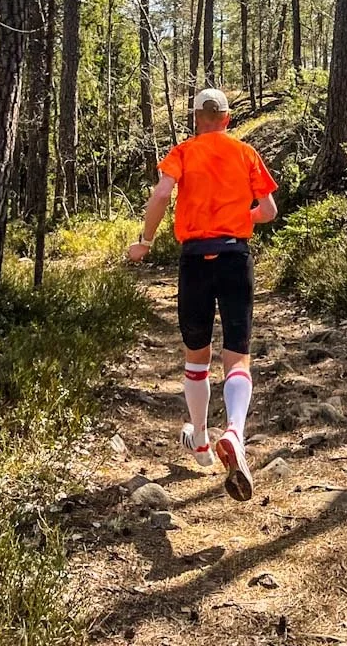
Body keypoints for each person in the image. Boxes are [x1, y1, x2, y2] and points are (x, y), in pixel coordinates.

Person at [128, 87, 278, 502]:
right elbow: (268, 211)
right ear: (227, 118)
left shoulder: (182, 152)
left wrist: (145, 241)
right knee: (237, 355)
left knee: (197, 356)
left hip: (194, 259)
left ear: (196, 118)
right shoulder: (245, 153)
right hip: (235, 257)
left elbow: (161, 194)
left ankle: (200, 441)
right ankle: (235, 432)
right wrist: (240, 216)